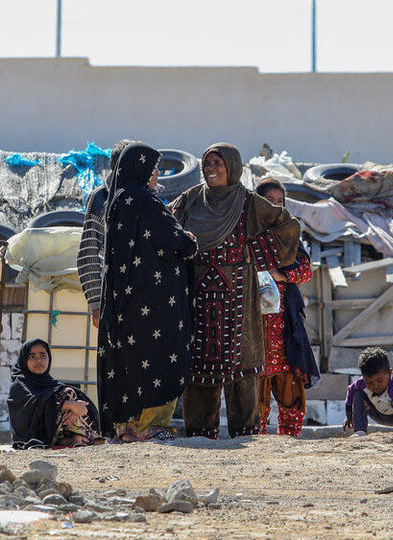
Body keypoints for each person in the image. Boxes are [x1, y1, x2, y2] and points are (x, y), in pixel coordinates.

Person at [170, 143, 300, 439]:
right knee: (199, 366)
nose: (211, 168)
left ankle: (245, 432)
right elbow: (168, 227)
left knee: (243, 367)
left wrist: (257, 252)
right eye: (207, 163)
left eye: (218, 163)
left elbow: (287, 225)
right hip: (199, 298)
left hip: (240, 298)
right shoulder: (190, 199)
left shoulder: (249, 203)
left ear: (233, 167)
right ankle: (201, 434)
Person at [97, 142, 197, 442]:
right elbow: (178, 243)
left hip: (124, 305)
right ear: (139, 168)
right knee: (161, 359)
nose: (156, 175)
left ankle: (127, 427)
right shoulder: (148, 203)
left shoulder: (116, 202)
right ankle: (153, 427)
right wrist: (189, 237)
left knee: (129, 362)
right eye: (153, 168)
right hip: (156, 304)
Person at [254, 178, 320, 437]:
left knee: (288, 382)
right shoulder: (247, 233)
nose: (275, 206)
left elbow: (305, 271)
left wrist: (280, 275)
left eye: (280, 201)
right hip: (254, 324)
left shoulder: (290, 233)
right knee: (255, 384)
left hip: (284, 324)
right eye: (269, 201)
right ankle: (256, 435)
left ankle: (288, 438)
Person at [78, 139, 135, 328]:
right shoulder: (100, 199)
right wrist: (96, 304)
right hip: (112, 297)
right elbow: (89, 253)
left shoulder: (148, 198)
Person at [7, 338, 101, 449]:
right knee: (65, 397)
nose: (38, 361)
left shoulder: (50, 383)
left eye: (43, 356)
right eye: (32, 356)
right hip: (34, 434)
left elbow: (49, 399)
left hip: (58, 430)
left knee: (68, 392)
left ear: (49, 358)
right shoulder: (19, 386)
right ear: (24, 360)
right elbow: (33, 407)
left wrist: (74, 411)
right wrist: (68, 405)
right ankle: (77, 438)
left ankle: (71, 438)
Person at [344, 347, 393, 436]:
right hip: (377, 413)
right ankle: (360, 431)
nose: (375, 386)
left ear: (389, 373)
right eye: (369, 382)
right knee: (357, 394)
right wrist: (349, 416)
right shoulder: (360, 383)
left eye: (379, 381)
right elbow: (350, 391)